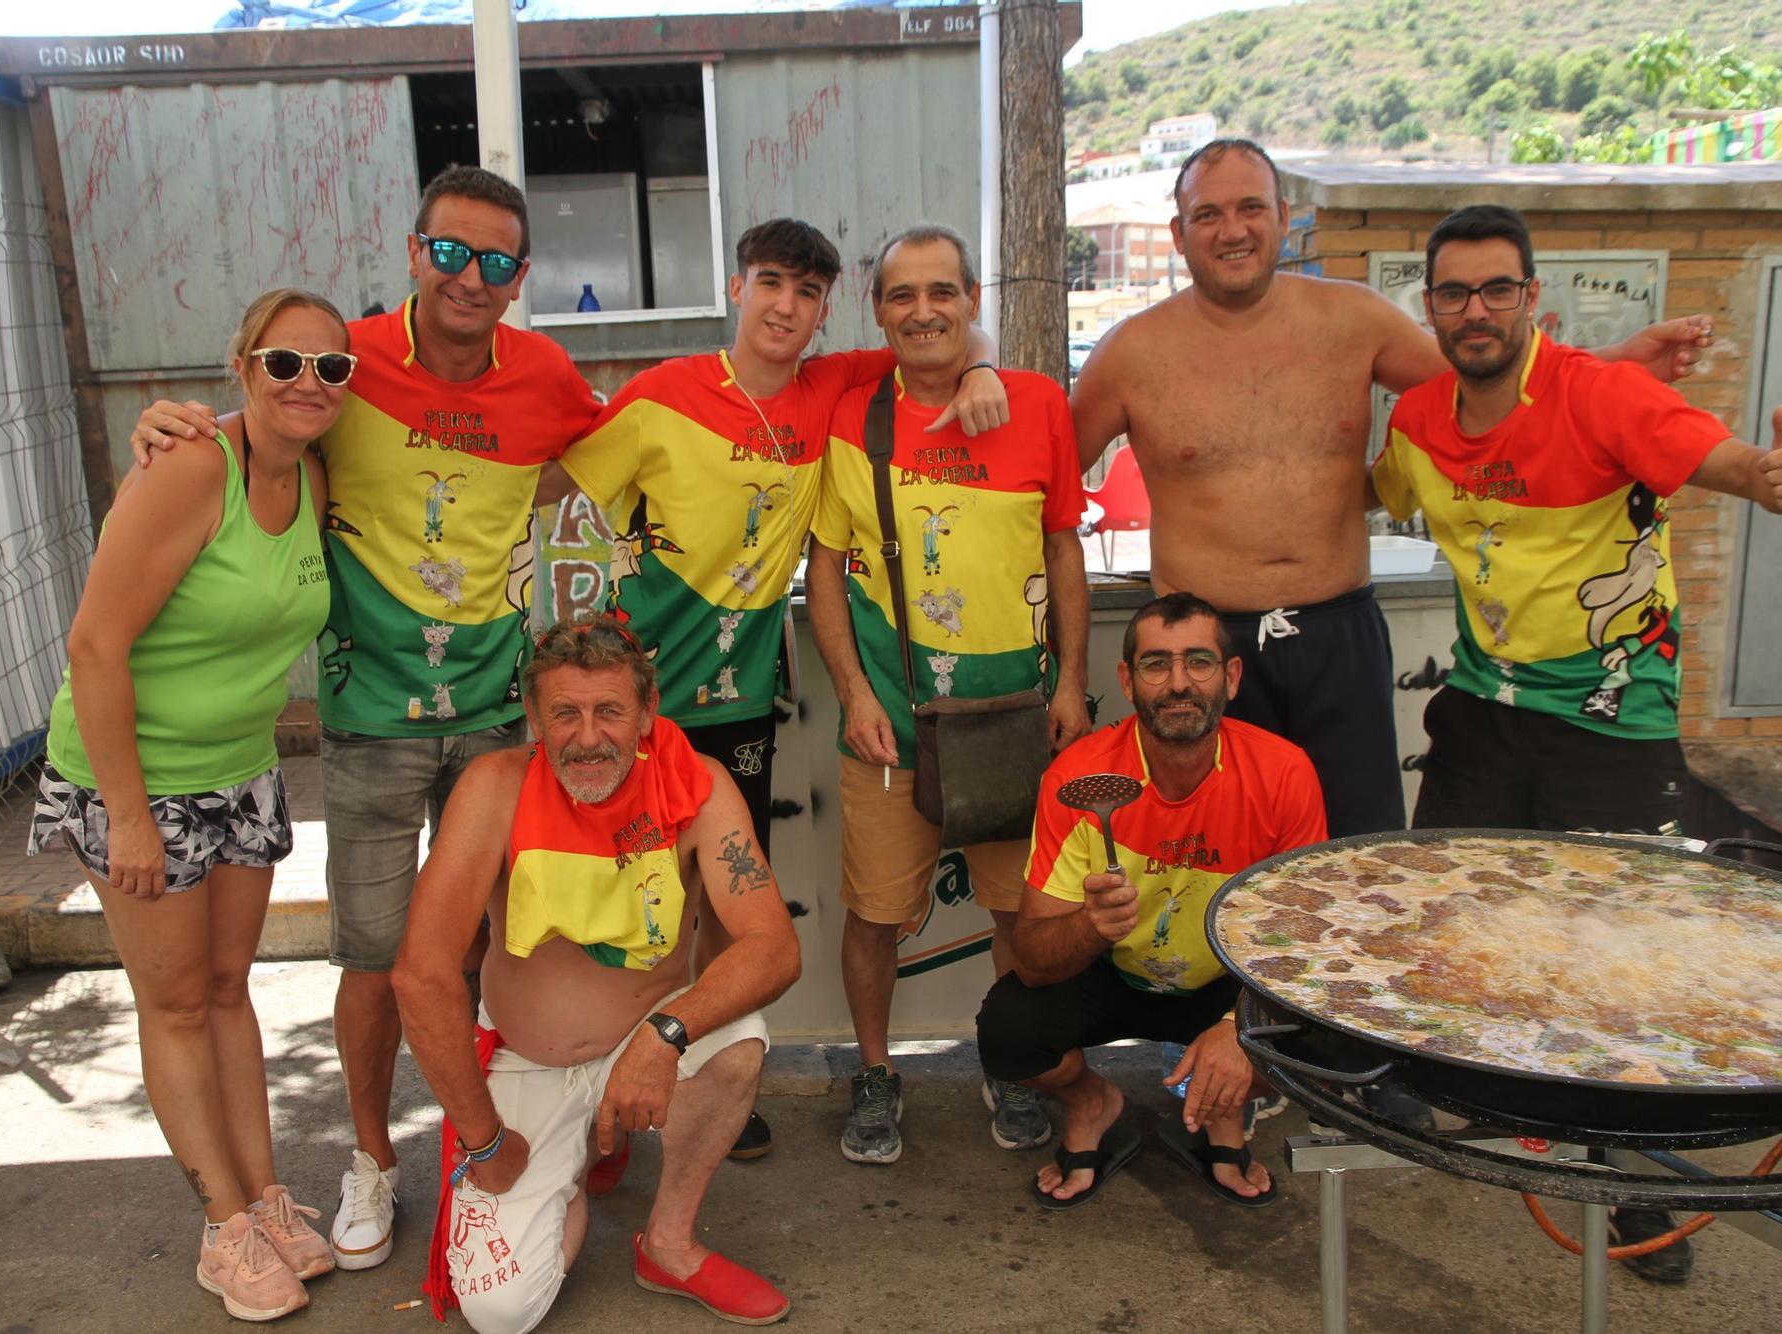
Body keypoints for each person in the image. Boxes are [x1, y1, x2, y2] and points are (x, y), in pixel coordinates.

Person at [127, 166, 603, 1271]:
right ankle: (372, 1161)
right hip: (368, 717)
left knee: (484, 946)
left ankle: (484, 1150)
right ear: (411, 250)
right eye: (449, 251)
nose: (468, 277)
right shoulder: (347, 361)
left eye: (494, 262)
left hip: (493, 714)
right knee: (378, 961)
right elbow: (265, 417)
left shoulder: (546, 375)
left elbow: (598, 456)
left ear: (520, 278)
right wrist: (171, 424)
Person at [1370, 203, 1782, 1283]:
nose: (1471, 309)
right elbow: (1369, 491)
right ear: (1428, 306)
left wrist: (1775, 477)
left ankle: (1621, 1172)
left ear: (1531, 299)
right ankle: (1480, 1098)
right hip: (1482, 708)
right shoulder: (1421, 416)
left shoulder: (1603, 391)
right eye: (1450, 292)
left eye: (1493, 289)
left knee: (1609, 959)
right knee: (1456, 915)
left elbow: (1721, 460)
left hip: (1609, 722)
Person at [1070, 138, 1715, 840]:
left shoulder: (1354, 319)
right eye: (1209, 214)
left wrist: (1617, 361)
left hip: (1338, 635)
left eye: (1252, 207)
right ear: (1178, 232)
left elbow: (1485, 371)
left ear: (1284, 216)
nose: (1233, 230)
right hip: (1204, 645)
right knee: (1220, 846)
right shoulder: (1130, 352)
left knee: (1362, 849)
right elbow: (1043, 483)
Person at [561, 218, 1006, 1164]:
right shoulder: (660, 397)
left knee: (730, 910)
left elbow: (935, 338)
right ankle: (596, 1092)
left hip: (739, 703)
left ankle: (712, 1077)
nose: (786, 307)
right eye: (771, 283)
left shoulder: (830, 385)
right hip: (637, 705)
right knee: (633, 904)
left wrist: (983, 371)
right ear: (736, 287)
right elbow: (551, 498)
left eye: (807, 293)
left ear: (822, 309)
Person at [29, 289, 350, 1320]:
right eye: (283, 363)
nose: (307, 382)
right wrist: (125, 814)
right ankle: (221, 1227)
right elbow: (94, 644)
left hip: (240, 769)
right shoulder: (189, 467)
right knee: (170, 1002)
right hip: (139, 776)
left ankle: (263, 1195)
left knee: (226, 986)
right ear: (241, 366)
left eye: (330, 368)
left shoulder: (310, 471)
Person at [391, 616, 801, 1332]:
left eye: (610, 710)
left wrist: (665, 1036)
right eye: (566, 713)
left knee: (737, 1041)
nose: (588, 736)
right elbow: (419, 976)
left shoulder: (697, 786)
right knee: (499, 1312)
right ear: (533, 717)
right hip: (530, 1059)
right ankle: (577, 1158)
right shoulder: (493, 788)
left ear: (647, 712)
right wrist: (484, 1140)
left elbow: (773, 947)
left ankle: (668, 1245)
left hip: (643, 1040)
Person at [807, 223, 1092, 1165]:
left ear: (973, 301)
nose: (923, 310)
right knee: (878, 915)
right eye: (901, 295)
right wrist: (853, 692)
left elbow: (1062, 546)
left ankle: (1009, 1064)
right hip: (892, 717)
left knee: (1021, 914)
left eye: (942, 292)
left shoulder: (1039, 404)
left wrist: (1075, 683)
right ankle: (877, 1071)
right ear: (877, 309)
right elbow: (829, 569)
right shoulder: (852, 416)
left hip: (1014, 713)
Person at [976, 593, 1325, 1209]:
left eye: (1199, 662)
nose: (1179, 684)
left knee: (1309, 1036)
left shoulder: (1283, 773)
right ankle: (1093, 1103)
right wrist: (1091, 927)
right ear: (1127, 681)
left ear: (1232, 677)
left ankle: (1221, 1107)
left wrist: (1233, 1029)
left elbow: (1304, 951)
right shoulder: (1077, 777)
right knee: (1007, 1032)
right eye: (1156, 665)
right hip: (1117, 977)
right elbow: (1031, 958)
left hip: (1228, 983)